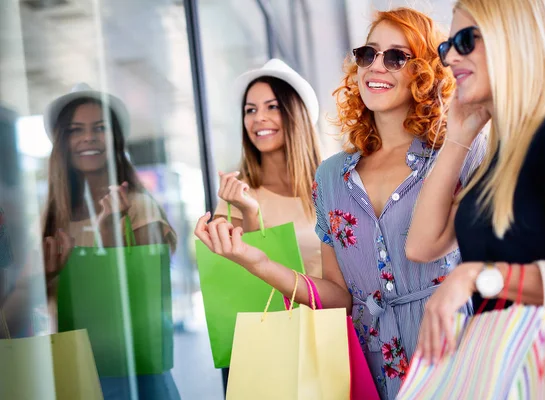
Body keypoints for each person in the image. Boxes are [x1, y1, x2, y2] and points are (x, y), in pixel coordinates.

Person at [195, 9, 484, 399]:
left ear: (426, 71)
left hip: (453, 352)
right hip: (369, 365)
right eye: (368, 54)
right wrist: (254, 260)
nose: (375, 67)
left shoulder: (458, 153)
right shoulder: (331, 176)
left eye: (396, 57)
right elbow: (339, 296)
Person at [406, 0, 545, 366]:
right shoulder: (500, 158)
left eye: (465, 40)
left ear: (511, 40)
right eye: (447, 47)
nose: (448, 60)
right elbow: (421, 245)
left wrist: (477, 276)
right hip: (512, 369)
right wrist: (457, 136)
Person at [42, 83, 179, 399]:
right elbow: (45, 300)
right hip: (77, 361)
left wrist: (109, 234)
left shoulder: (139, 207)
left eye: (99, 128)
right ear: (63, 143)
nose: (88, 137)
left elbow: (152, 291)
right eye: (76, 130)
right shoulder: (52, 218)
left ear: (115, 139)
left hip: (136, 366)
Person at [212, 59, 323, 278]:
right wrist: (249, 212)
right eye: (250, 110)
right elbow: (239, 279)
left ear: (297, 114)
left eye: (272, 107)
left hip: (337, 311)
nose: (258, 118)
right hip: (274, 313)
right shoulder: (236, 196)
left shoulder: (332, 184)